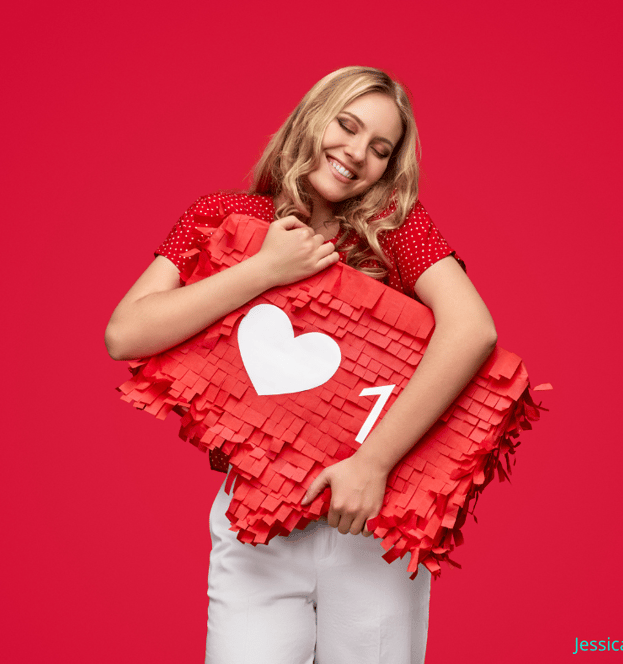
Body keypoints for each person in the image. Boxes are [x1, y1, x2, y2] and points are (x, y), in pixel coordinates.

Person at [105, 66, 497, 664]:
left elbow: (473, 330)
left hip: (369, 520)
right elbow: (125, 332)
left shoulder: (395, 228)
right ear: (312, 117)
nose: (356, 154)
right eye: (347, 126)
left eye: (380, 149)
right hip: (256, 518)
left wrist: (372, 464)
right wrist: (266, 269)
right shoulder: (222, 213)